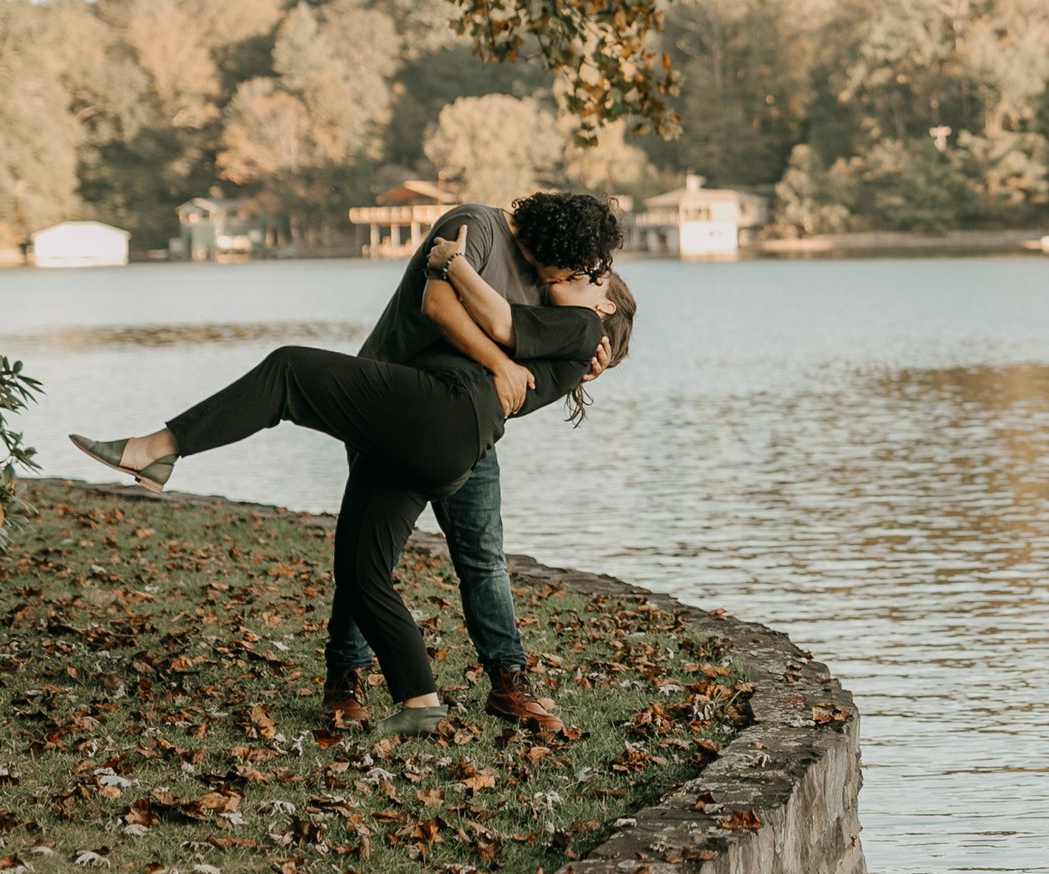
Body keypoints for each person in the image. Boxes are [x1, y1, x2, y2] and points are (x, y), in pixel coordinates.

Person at [71, 249, 636, 738]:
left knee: (289, 370)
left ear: (604, 306)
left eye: (595, 276)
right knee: (363, 570)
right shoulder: (566, 334)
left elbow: (501, 319)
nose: (581, 272)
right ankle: (419, 702)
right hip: (430, 439)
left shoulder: (583, 328)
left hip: (441, 415)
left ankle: (157, 448)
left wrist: (449, 262)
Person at [323, 192, 625, 733]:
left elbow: (561, 337)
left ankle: (509, 682)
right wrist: (503, 362)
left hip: (462, 429)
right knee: (370, 558)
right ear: (558, 247)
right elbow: (438, 309)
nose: (580, 274)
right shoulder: (475, 226)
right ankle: (345, 678)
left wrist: (587, 359)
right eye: (578, 266)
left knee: (484, 558)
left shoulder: (551, 284)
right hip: (388, 402)